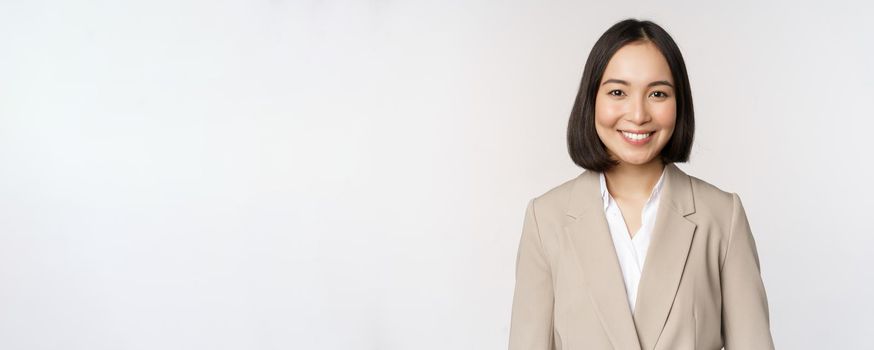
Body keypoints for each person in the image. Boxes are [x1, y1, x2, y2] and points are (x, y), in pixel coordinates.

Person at [508, 19, 775, 350]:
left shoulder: (722, 216)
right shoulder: (545, 218)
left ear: (680, 104)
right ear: (592, 99)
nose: (638, 114)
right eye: (618, 92)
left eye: (658, 94)